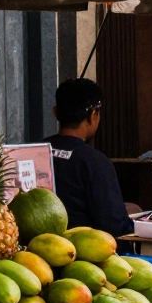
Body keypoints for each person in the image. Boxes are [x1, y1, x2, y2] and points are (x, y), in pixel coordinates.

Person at [46, 78, 134, 238]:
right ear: (93, 115)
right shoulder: (96, 162)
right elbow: (114, 225)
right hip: (81, 253)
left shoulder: (32, 152)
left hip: (31, 250)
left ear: (56, 113)